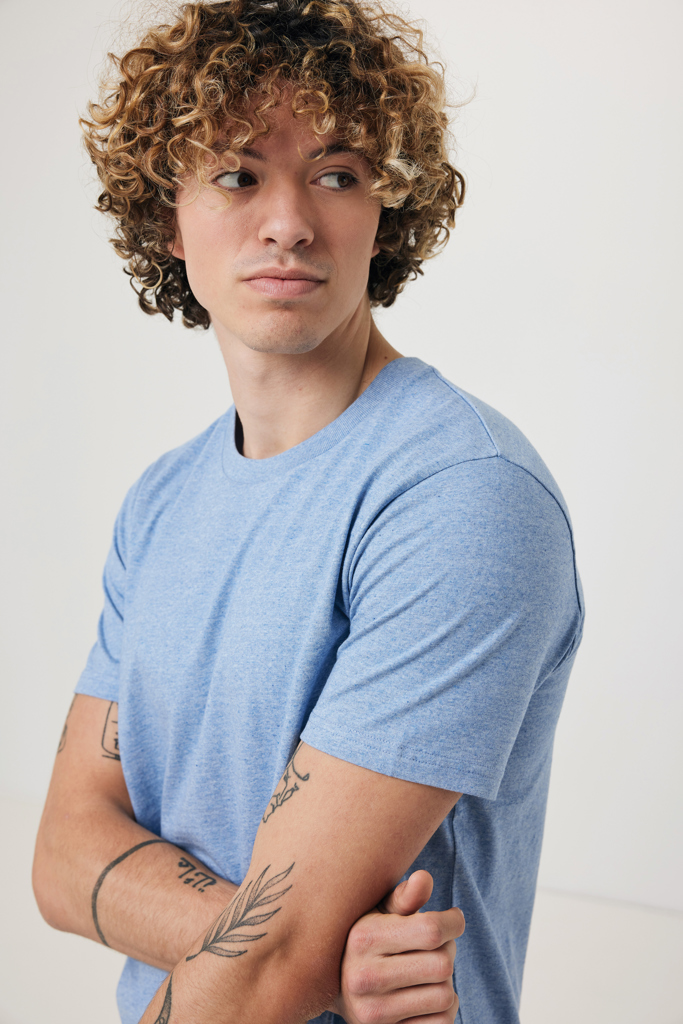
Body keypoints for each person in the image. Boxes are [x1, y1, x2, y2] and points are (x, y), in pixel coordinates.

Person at [32, 1, 584, 1022]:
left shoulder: (462, 494)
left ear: (386, 212)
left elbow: (274, 959)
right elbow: (64, 854)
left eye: (335, 174)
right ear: (168, 218)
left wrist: (290, 950)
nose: (287, 221)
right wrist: (304, 949)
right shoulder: (161, 502)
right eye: (237, 175)